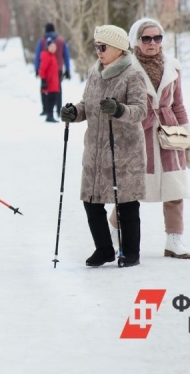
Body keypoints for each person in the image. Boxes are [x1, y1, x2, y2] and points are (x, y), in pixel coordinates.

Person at [107, 18, 190, 259]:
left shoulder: (173, 67)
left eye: (157, 38)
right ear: (136, 40)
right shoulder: (125, 68)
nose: (153, 43)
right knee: (130, 191)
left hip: (169, 135)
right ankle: (114, 233)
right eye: (147, 38)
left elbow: (178, 106)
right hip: (138, 135)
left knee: (174, 188)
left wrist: (189, 138)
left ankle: (174, 241)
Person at [60, 25, 147, 267]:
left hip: (124, 152)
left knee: (127, 203)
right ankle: (104, 249)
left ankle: (131, 253)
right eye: (96, 46)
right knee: (91, 201)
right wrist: (73, 112)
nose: (98, 51)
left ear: (119, 49)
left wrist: (119, 110)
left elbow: (141, 110)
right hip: (95, 151)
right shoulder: (94, 73)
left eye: (103, 47)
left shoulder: (133, 74)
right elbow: (86, 105)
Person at [34, 23, 71, 118]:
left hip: (45, 71)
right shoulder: (61, 41)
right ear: (54, 30)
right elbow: (66, 56)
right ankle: (58, 110)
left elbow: (37, 56)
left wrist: (37, 69)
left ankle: (45, 109)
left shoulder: (42, 41)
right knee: (58, 90)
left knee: (44, 89)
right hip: (58, 69)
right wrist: (67, 70)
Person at [38, 38, 60, 122]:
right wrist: (43, 80)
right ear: (48, 47)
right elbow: (42, 69)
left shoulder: (52, 55)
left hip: (54, 81)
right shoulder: (46, 56)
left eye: (54, 46)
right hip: (50, 82)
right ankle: (49, 115)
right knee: (51, 99)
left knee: (54, 99)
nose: (54, 47)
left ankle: (50, 115)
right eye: (52, 46)